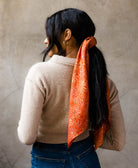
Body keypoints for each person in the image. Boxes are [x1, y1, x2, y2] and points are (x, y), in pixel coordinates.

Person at [17, 8, 126, 168]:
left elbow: (27, 137)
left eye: (49, 33)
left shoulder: (39, 73)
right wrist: (83, 144)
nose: (45, 41)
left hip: (48, 160)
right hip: (86, 158)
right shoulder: (103, 81)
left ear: (67, 35)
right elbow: (118, 142)